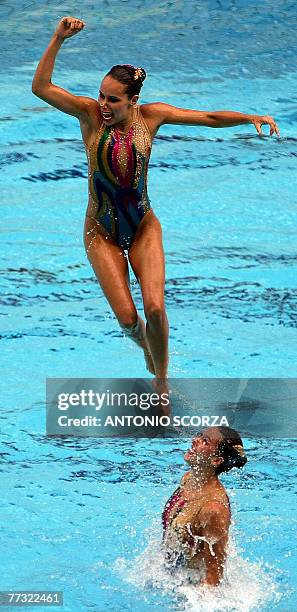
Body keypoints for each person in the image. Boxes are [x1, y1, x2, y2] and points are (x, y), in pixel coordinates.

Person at [32, 17, 280, 390]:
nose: (103, 104)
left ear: (134, 101)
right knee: (130, 320)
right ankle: (146, 348)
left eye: (112, 99)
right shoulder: (88, 116)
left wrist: (249, 118)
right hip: (101, 232)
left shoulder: (152, 117)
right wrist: (57, 39)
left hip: (143, 226)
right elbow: (41, 88)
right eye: (101, 95)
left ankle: (161, 383)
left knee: (155, 308)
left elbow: (208, 117)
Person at [162, 426, 247, 586]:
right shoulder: (189, 479)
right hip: (173, 575)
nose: (195, 440)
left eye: (205, 442)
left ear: (216, 460)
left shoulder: (213, 509)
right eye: (199, 436)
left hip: (191, 587)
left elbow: (213, 576)